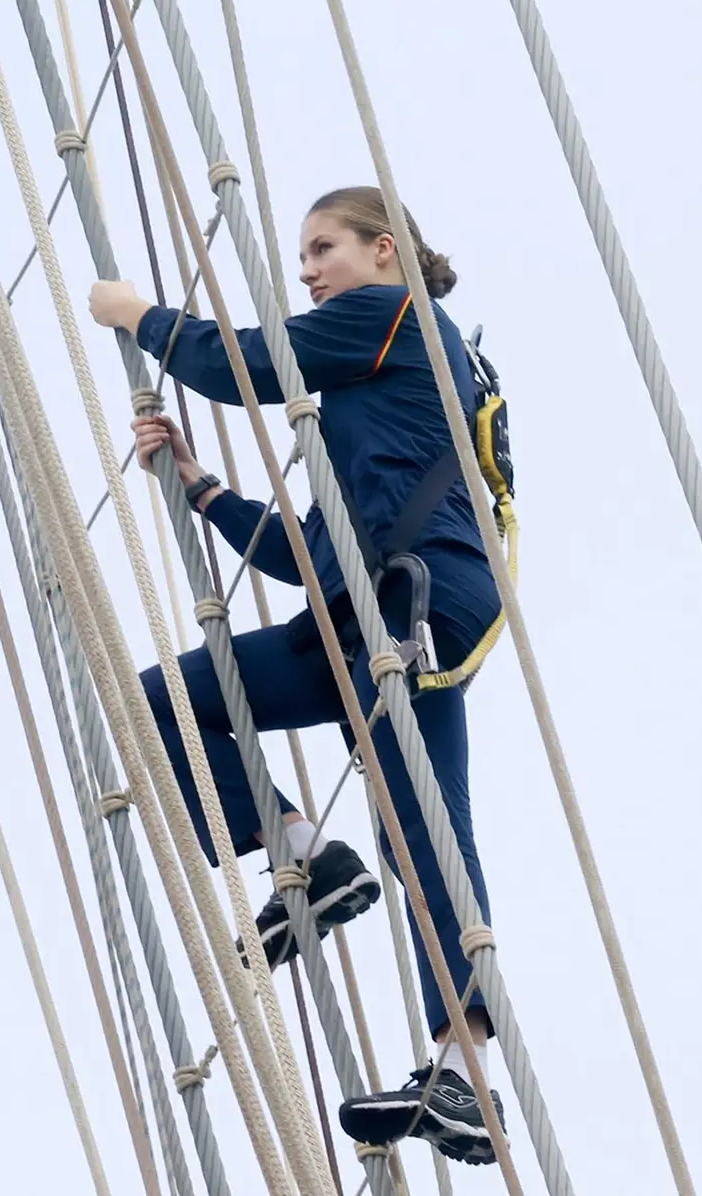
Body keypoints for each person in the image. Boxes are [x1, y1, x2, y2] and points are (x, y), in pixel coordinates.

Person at [88, 186, 506, 1166]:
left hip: (419, 608)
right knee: (162, 703)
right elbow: (308, 556)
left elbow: (235, 364)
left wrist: (133, 313)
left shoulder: (396, 318)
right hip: (351, 612)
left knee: (422, 824)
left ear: (385, 252)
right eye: (304, 254)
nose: (309, 269)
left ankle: (466, 1072)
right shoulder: (366, 407)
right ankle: (304, 854)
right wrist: (199, 486)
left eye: (324, 248)